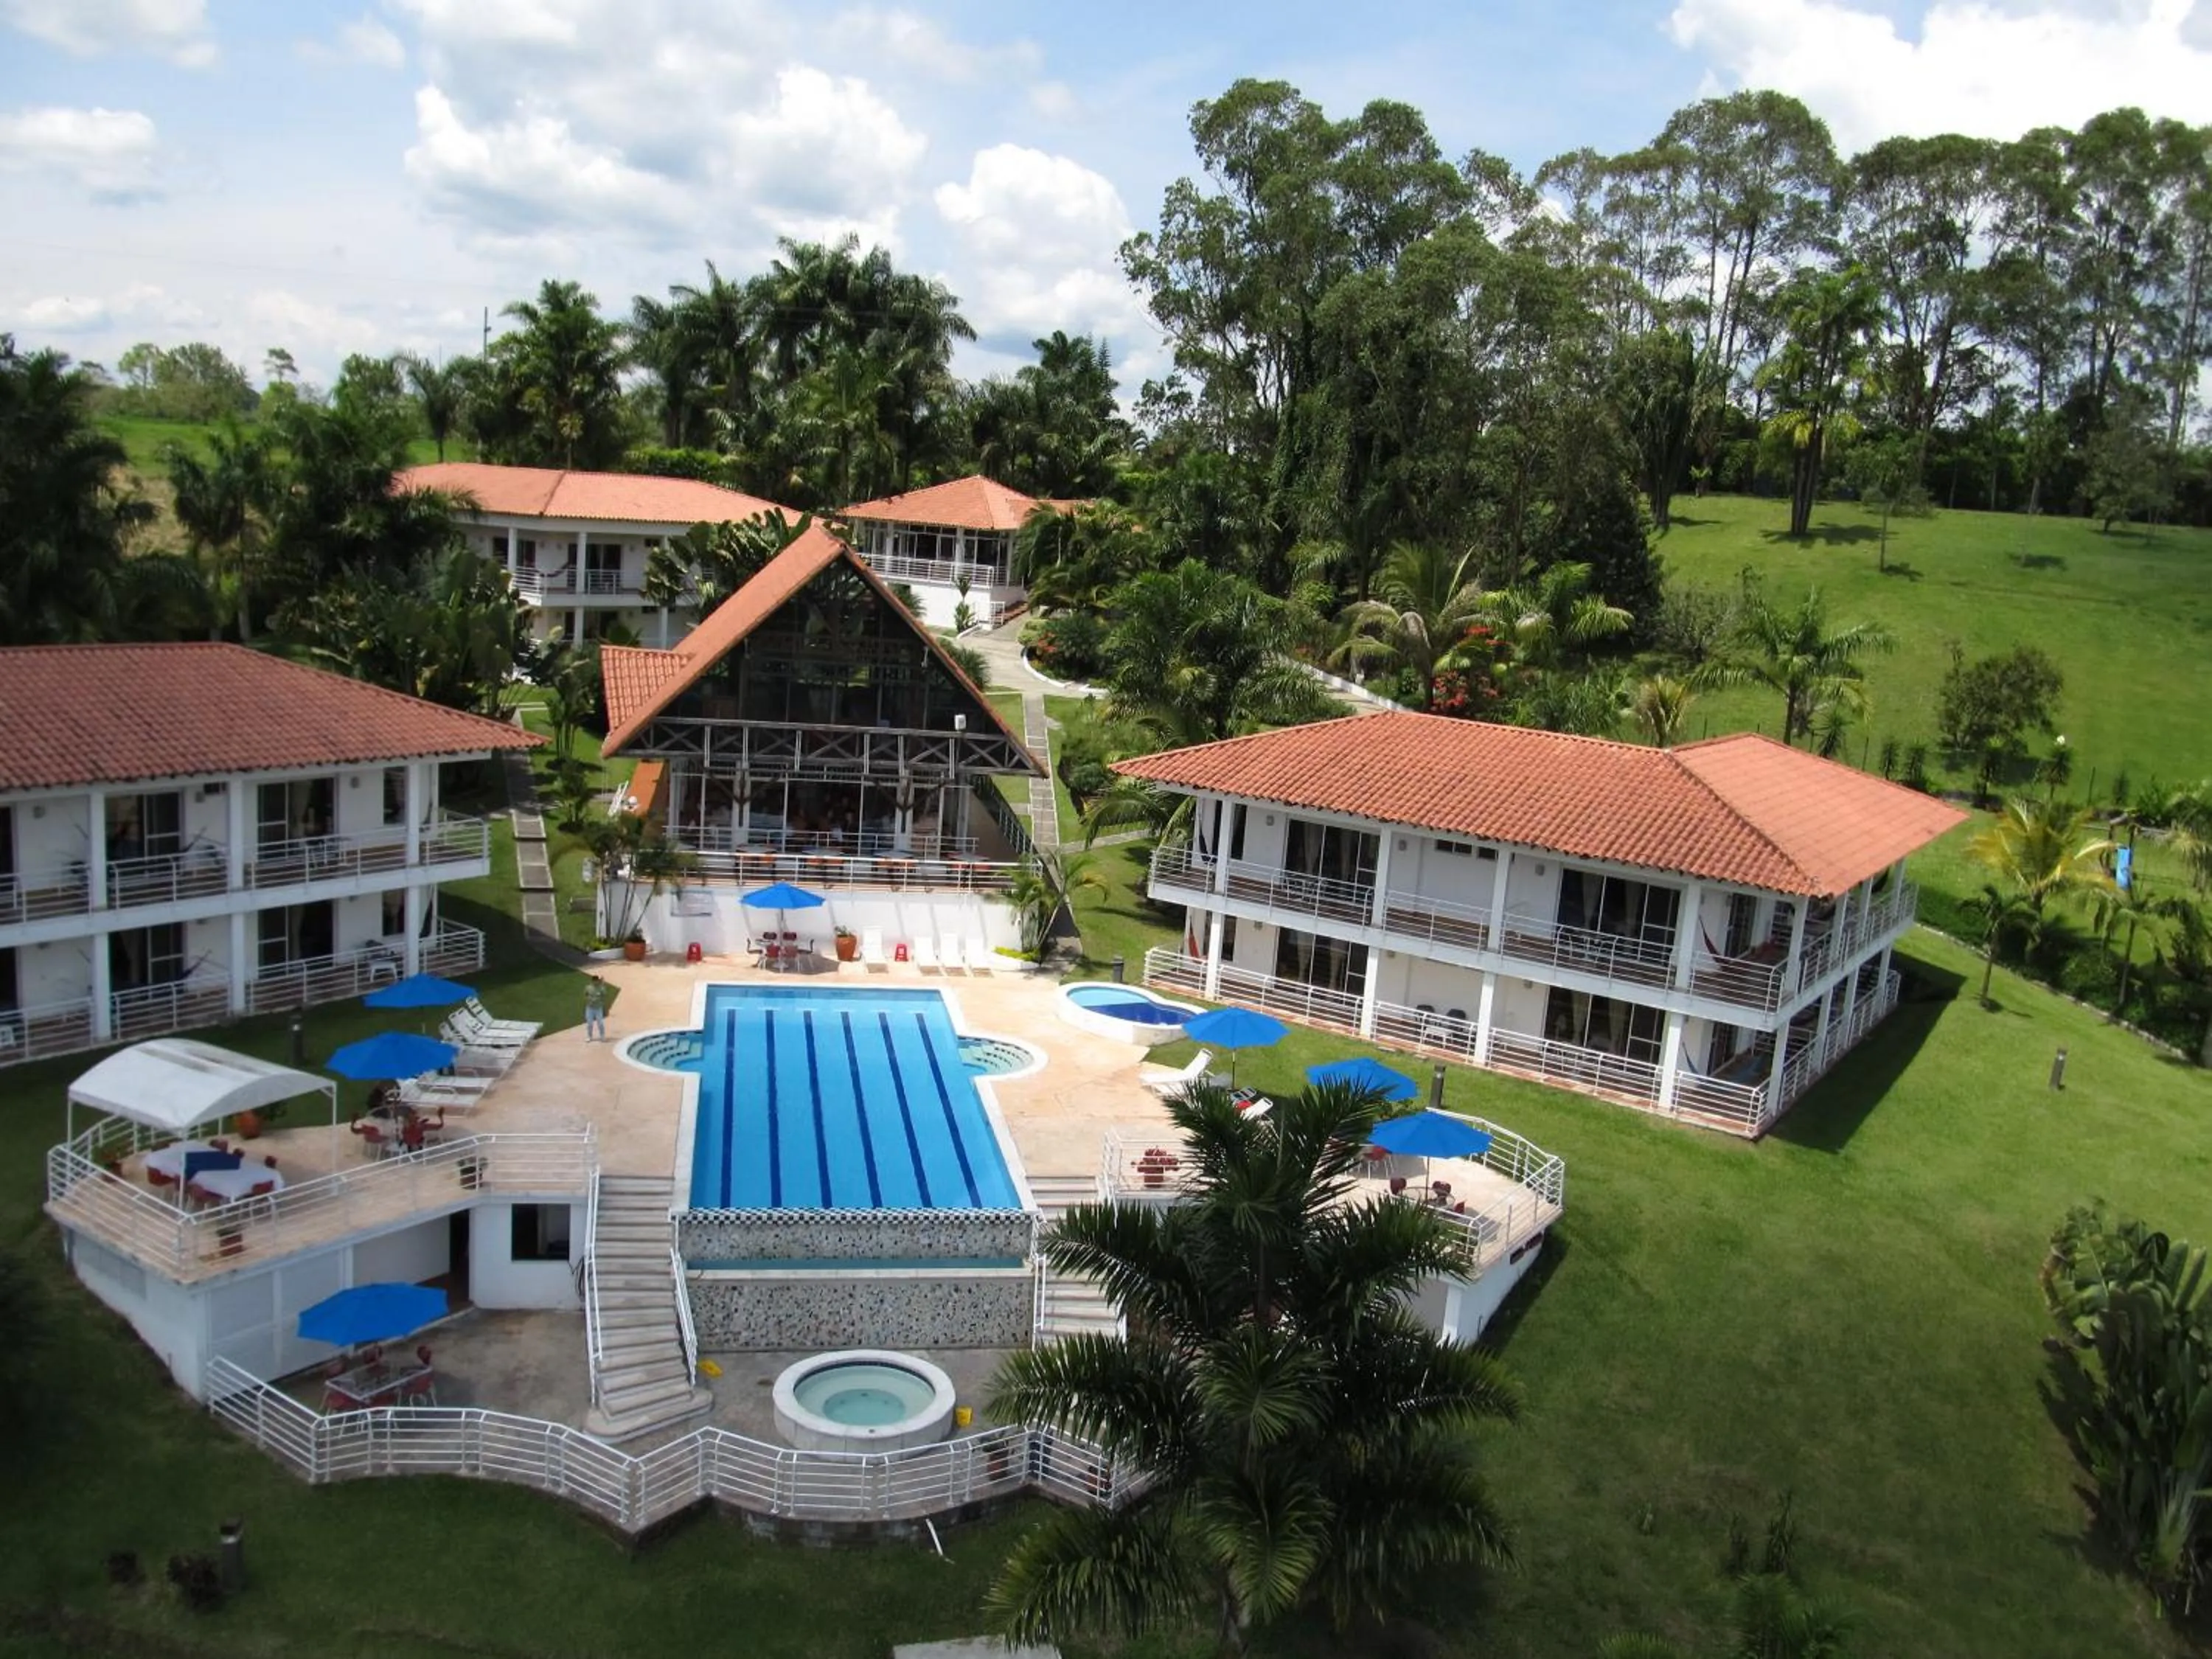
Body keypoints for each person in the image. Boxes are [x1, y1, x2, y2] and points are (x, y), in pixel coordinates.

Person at [583, 976, 607, 1043]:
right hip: (590, 1008)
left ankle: (602, 1036)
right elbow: (585, 995)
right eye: (595, 981)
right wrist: (589, 999)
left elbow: (604, 994)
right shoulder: (588, 987)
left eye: (597, 981)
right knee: (590, 1024)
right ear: (592, 981)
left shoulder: (601, 988)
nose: (596, 982)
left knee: (600, 1023)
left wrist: (603, 986)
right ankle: (589, 1036)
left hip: (598, 1008)